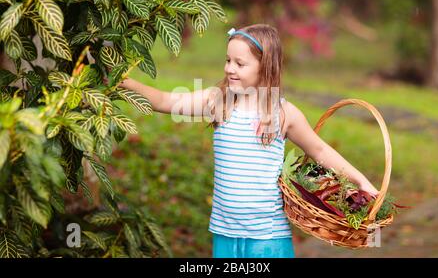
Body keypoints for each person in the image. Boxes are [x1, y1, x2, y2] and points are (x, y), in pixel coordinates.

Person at [117, 24, 379, 258]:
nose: (230, 68)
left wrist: (362, 182)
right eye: (228, 60)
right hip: (225, 233)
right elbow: (164, 101)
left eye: (240, 64)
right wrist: (122, 81)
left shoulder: (283, 113)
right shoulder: (218, 102)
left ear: (265, 66)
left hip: (268, 238)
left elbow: (320, 150)